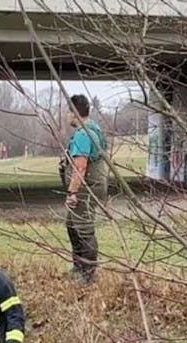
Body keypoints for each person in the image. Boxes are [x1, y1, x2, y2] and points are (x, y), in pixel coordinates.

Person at [62, 94, 108, 283]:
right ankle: (78, 266)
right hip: (92, 185)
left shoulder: (83, 134)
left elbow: (80, 167)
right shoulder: (94, 127)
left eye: (67, 111)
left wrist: (73, 192)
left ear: (74, 113)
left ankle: (87, 274)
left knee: (84, 228)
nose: (66, 116)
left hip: (86, 187)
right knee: (72, 225)